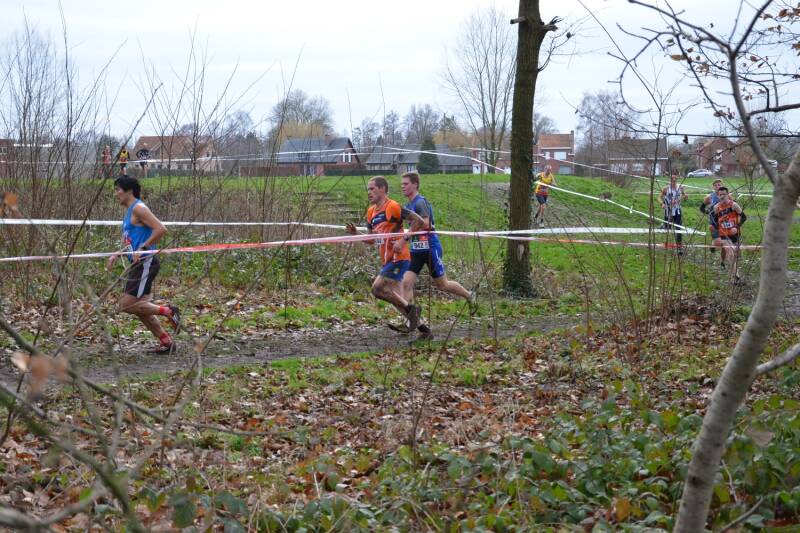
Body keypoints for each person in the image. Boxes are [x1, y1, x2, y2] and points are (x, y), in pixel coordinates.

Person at [106, 176, 180, 354]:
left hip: (146, 262)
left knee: (126, 305)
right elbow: (132, 241)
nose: (116, 194)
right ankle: (166, 342)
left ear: (129, 191)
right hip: (138, 264)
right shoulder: (130, 211)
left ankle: (169, 311)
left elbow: (161, 229)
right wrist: (119, 253)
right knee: (141, 308)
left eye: (118, 190)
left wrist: (144, 247)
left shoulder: (139, 208)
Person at [345, 176, 426, 336]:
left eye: (372, 189)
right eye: (368, 189)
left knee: (377, 288)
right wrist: (356, 233)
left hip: (399, 257)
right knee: (396, 300)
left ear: (382, 189)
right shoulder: (371, 212)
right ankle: (424, 330)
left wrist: (403, 240)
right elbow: (371, 240)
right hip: (386, 260)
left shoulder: (393, 206)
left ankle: (413, 311)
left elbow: (419, 221)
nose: (369, 192)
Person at [398, 171, 477, 331]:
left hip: (430, 248)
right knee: (406, 283)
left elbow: (425, 223)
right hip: (415, 250)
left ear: (415, 185)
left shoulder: (420, 203)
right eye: (402, 184)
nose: (403, 187)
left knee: (442, 284)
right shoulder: (408, 206)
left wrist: (406, 237)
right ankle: (410, 319)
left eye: (406, 184)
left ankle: (469, 296)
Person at [711, 186, 746, 282]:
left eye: (724, 194)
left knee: (736, 254)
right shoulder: (716, 207)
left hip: (734, 233)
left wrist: (736, 227)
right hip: (724, 234)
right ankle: (736, 276)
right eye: (720, 195)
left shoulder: (734, 205)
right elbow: (714, 220)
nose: (722, 197)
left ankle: (735, 270)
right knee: (729, 253)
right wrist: (717, 229)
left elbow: (744, 217)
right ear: (718, 196)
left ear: (728, 195)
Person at [659, 173, 688, 253]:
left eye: (675, 179)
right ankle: (663, 226)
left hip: (677, 211)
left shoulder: (680, 187)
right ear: (670, 180)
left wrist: (686, 196)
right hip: (668, 211)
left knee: (678, 229)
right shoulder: (666, 189)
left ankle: (679, 248)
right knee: (667, 229)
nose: (674, 180)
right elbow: (659, 197)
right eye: (672, 179)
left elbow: (684, 196)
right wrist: (662, 204)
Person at [700, 179, 724, 262]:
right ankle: (713, 245)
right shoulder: (709, 197)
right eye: (716, 185)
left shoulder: (727, 196)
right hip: (714, 222)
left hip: (725, 221)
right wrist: (708, 212)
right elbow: (701, 208)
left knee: (725, 242)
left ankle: (723, 262)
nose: (718, 186)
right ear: (713, 187)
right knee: (718, 242)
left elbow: (733, 205)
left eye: (719, 185)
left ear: (722, 186)